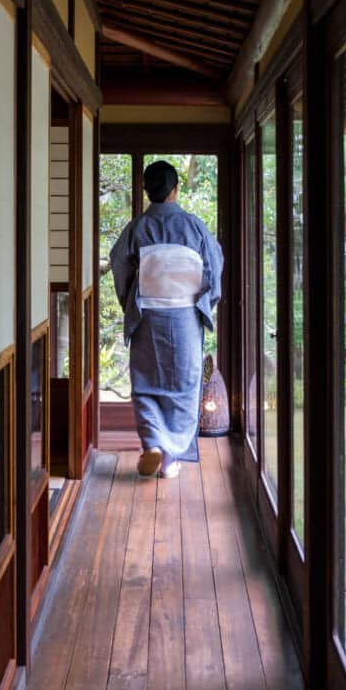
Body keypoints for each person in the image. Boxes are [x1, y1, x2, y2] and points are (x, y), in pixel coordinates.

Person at [110, 160, 223, 478]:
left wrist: (130, 302)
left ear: (148, 191)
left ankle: (153, 445)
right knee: (185, 386)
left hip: (148, 315)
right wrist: (204, 304)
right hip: (184, 317)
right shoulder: (194, 226)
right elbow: (214, 266)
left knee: (146, 385)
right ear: (175, 189)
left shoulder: (136, 228)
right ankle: (171, 458)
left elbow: (119, 263)